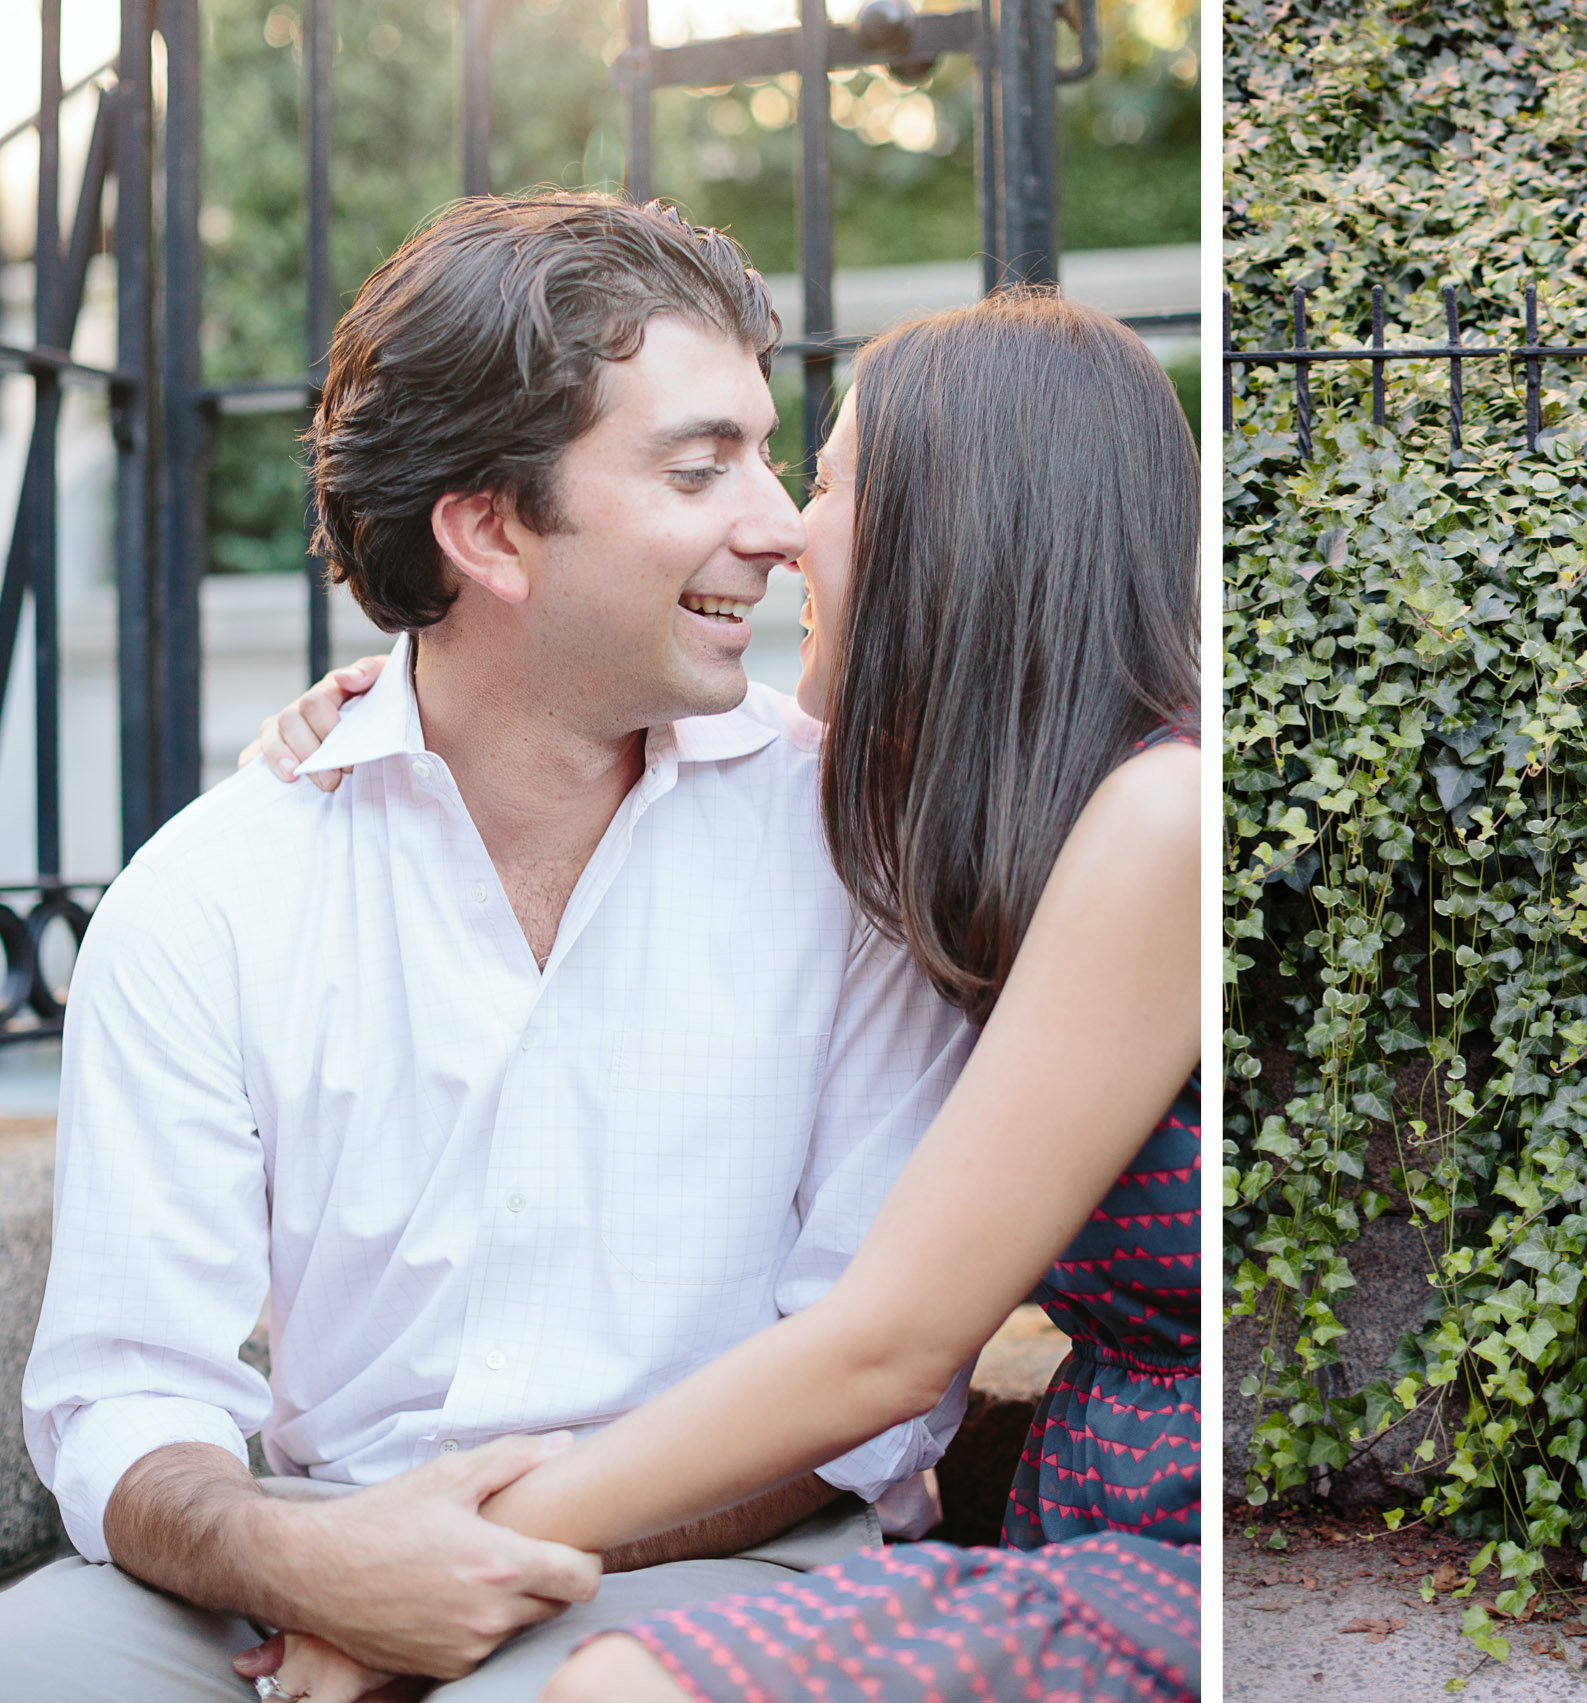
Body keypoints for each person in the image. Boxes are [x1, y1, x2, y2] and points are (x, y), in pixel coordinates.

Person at [2, 194, 979, 1701]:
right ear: (486, 529)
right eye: (701, 463)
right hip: (307, 1542)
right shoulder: (211, 895)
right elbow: (126, 1398)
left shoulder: (847, 852)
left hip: (730, 1557)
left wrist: (461, 1580)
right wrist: (317, 1568)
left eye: (769, 456)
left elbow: (867, 1387)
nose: (777, 523)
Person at [242, 287, 1203, 1703]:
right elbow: (558, 717)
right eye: (722, 473)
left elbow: (886, 1346)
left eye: (823, 479)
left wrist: (427, 1573)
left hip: (1167, 1560)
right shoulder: (995, 820)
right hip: (1090, 1524)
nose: (779, 529)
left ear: (968, 517)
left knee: (613, 1690)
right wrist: (411, 710)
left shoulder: (1162, 815)